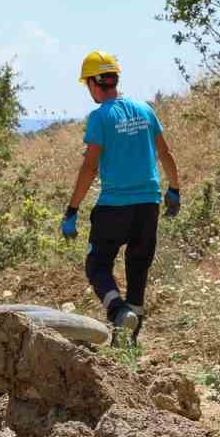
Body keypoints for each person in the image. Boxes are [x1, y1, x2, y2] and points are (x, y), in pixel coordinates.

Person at [60, 51, 181, 343]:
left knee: (97, 264)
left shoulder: (100, 117)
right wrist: (174, 190)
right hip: (149, 205)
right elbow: (165, 153)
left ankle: (116, 311)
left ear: (92, 83)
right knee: (138, 269)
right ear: (114, 79)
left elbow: (89, 167)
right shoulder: (145, 110)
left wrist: (72, 210)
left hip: (114, 208)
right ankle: (128, 341)